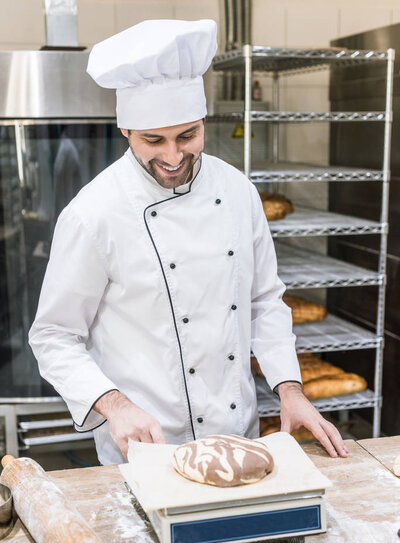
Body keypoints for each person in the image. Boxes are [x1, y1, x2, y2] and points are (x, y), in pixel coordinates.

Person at [29, 19, 348, 465]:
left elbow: (264, 302)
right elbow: (54, 336)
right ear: (125, 131)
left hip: (239, 435)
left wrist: (290, 390)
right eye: (153, 141)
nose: (173, 157)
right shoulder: (94, 213)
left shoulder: (237, 191)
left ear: (203, 122)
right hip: (144, 444)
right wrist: (114, 406)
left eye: (187, 136)